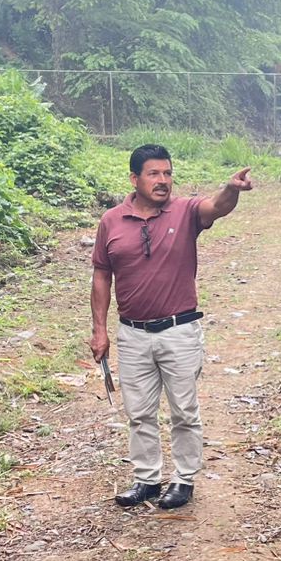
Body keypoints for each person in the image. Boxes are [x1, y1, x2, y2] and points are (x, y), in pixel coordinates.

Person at [90, 143, 254, 510]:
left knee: (183, 410)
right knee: (139, 412)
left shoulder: (185, 211)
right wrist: (99, 330)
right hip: (132, 334)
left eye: (167, 173)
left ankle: (183, 479)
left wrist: (231, 189)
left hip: (179, 331)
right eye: (154, 174)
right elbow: (102, 275)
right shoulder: (111, 221)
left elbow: (217, 206)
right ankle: (147, 479)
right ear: (134, 179)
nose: (163, 180)